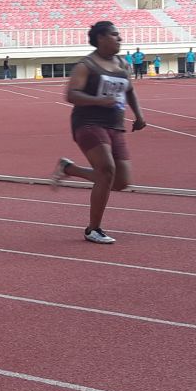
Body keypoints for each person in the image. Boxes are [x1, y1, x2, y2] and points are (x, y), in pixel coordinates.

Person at [50, 21, 147, 244]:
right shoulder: (86, 65)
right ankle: (93, 229)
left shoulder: (122, 63)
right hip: (88, 123)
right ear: (101, 38)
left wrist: (139, 116)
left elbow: (130, 91)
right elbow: (71, 95)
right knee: (106, 169)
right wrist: (99, 101)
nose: (120, 39)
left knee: (121, 181)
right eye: (115, 35)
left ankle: (68, 168)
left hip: (115, 124)